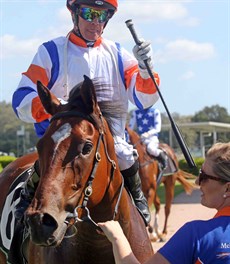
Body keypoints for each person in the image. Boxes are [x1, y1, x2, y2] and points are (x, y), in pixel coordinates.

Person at [12, 0, 161, 226]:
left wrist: (145, 69)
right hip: (60, 141)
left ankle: (137, 198)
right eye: (89, 13)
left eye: (102, 16)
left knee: (123, 154)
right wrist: (57, 107)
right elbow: (21, 98)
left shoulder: (120, 55)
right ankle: (24, 205)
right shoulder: (51, 51)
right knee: (51, 158)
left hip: (111, 140)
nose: (95, 21)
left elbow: (144, 98)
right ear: (74, 13)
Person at [98, 142, 230, 264]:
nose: (196, 182)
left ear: (227, 188)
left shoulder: (194, 234)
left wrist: (117, 237)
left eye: (204, 177)